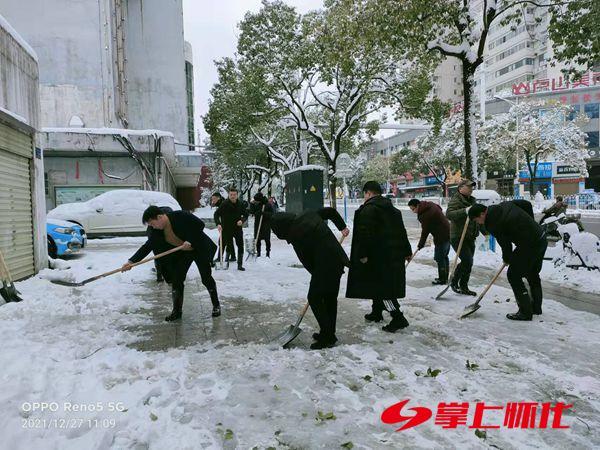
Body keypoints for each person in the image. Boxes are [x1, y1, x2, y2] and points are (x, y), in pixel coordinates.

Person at [122, 206, 221, 321]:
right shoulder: (156, 231)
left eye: (152, 223)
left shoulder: (180, 216)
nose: (152, 227)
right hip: (183, 253)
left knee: (206, 277)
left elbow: (199, 225)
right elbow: (147, 246)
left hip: (198, 248)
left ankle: (216, 305)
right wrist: (131, 262)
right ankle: (177, 311)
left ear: (159, 217)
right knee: (177, 279)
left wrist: (189, 240)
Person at [270, 208, 350, 349]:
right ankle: (329, 333)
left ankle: (327, 336)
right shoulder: (308, 213)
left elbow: (307, 261)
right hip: (336, 260)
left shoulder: (296, 234)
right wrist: (342, 226)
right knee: (330, 298)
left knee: (314, 297)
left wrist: (317, 277)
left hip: (325, 265)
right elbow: (330, 212)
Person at [346, 181, 413, 333]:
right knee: (379, 284)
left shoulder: (369, 210)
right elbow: (402, 232)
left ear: (368, 193)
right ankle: (376, 312)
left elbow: (365, 235)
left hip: (377, 257)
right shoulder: (393, 210)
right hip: (393, 255)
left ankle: (398, 317)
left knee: (384, 290)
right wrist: (407, 251)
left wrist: (362, 254)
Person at [469, 201, 547, 321]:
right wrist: (530, 224)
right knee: (532, 273)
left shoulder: (492, 223)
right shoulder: (504, 205)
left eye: (476, 220)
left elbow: (505, 244)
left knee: (513, 275)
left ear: (482, 214)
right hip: (541, 237)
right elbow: (526, 204)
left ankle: (525, 313)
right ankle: (536, 308)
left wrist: (507, 259)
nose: (478, 223)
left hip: (530, 245)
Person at [446, 179, 479, 296]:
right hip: (458, 236)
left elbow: (477, 218)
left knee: (468, 262)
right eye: (468, 187)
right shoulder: (456, 200)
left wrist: (485, 231)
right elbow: (449, 214)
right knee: (467, 261)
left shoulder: (472, 201)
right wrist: (465, 211)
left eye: (472, 187)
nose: (471, 189)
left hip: (470, 236)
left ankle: (463, 286)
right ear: (460, 189)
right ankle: (455, 282)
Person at [408, 198, 450, 285]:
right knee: (444, 256)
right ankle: (445, 277)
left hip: (441, 236)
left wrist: (420, 245)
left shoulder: (425, 215)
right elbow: (440, 208)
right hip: (448, 232)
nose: (413, 211)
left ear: (418, 205)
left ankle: (442, 279)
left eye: (413, 209)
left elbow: (425, 232)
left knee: (439, 258)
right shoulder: (430, 204)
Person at [214, 187, 248, 271]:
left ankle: (240, 265)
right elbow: (216, 214)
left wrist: (242, 220)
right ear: (229, 195)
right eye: (231, 195)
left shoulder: (240, 204)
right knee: (228, 246)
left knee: (240, 245)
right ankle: (226, 263)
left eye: (234, 195)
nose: (232, 196)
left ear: (237, 195)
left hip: (237, 228)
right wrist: (218, 224)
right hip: (226, 228)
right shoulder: (224, 204)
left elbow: (246, 214)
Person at [249, 192, 274, 257]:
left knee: (267, 239)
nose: (256, 202)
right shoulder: (255, 204)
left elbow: (272, 214)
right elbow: (252, 212)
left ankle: (268, 253)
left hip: (266, 224)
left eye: (257, 201)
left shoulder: (267, 204)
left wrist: (263, 213)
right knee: (257, 239)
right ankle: (258, 253)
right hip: (257, 224)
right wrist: (251, 205)